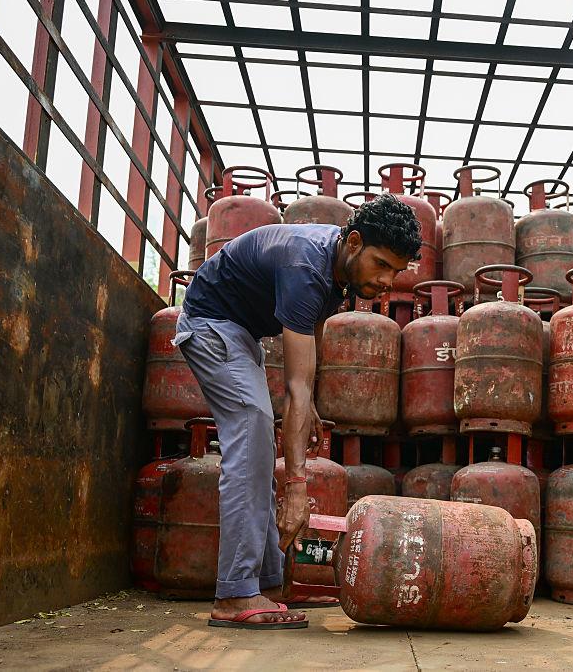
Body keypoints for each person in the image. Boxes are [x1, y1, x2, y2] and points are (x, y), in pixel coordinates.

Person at [173, 194, 422, 630]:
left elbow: (312, 346)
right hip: (209, 324)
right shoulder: (306, 267)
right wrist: (297, 488)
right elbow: (295, 386)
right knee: (251, 435)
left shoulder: (336, 273)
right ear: (355, 242)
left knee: (259, 445)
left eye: (396, 272)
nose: (388, 281)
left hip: (240, 333)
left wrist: (313, 411)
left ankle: (266, 585)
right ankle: (234, 594)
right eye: (381, 264)